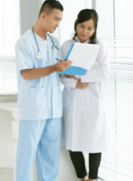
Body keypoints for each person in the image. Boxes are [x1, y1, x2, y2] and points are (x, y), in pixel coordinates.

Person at [15, 0, 72, 181]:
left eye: (60, 20)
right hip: (34, 108)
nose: (58, 24)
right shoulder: (25, 42)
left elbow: (58, 70)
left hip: (54, 108)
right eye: (56, 19)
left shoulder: (54, 43)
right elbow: (26, 73)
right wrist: (55, 68)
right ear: (43, 15)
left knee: (50, 156)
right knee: (26, 155)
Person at [60, 9, 109, 181]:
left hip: (93, 101)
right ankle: (83, 177)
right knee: (73, 142)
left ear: (95, 29)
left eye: (90, 28)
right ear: (76, 25)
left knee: (95, 142)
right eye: (82, 26)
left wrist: (79, 75)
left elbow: (104, 73)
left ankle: (93, 178)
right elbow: (61, 74)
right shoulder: (66, 46)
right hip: (73, 99)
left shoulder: (100, 47)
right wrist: (75, 82)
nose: (85, 31)